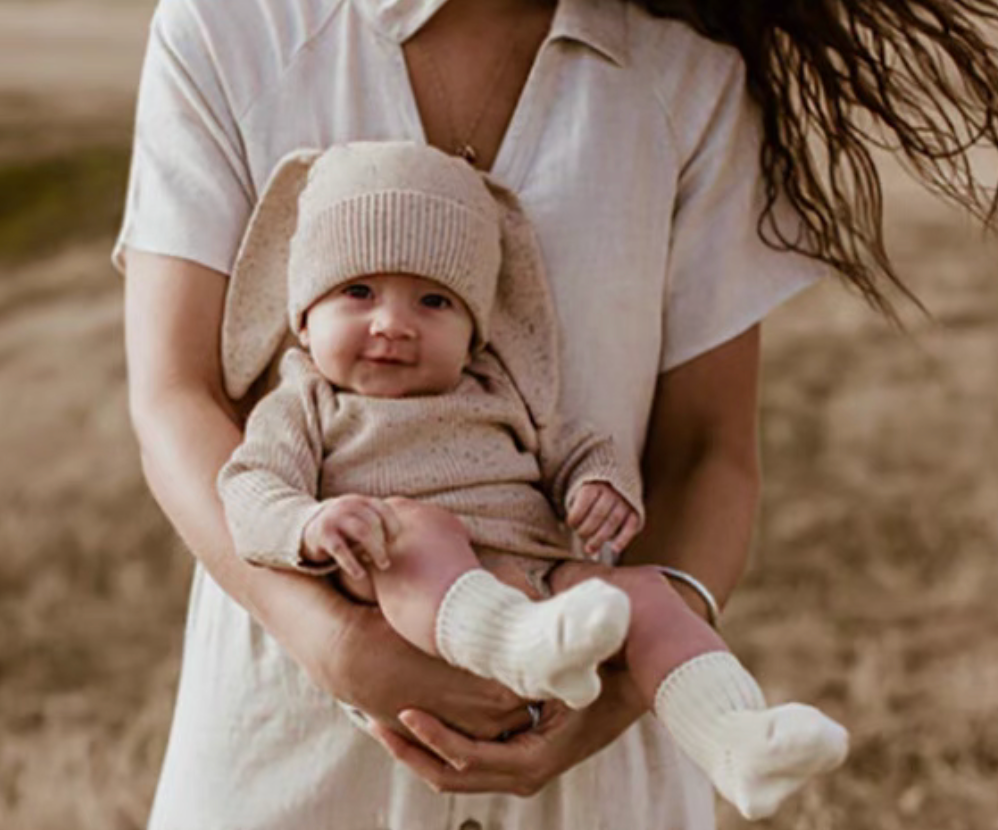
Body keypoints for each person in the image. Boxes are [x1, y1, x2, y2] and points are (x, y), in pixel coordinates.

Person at [116, 0, 998, 827]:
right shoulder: (235, 26)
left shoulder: (689, 79)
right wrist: (340, 646)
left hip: (595, 745)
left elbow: (705, 452)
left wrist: (609, 701)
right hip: (290, 751)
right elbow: (175, 398)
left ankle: (738, 733)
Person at [216, 139, 848, 820]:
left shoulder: (499, 388)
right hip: (400, 582)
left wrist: (596, 483)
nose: (394, 325)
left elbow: (573, 445)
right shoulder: (304, 403)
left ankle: (733, 738)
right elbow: (250, 488)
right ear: (304, 322)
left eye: (433, 301)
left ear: (474, 330)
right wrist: (309, 525)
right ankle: (517, 645)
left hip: (541, 582)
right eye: (358, 291)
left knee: (650, 596)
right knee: (418, 528)